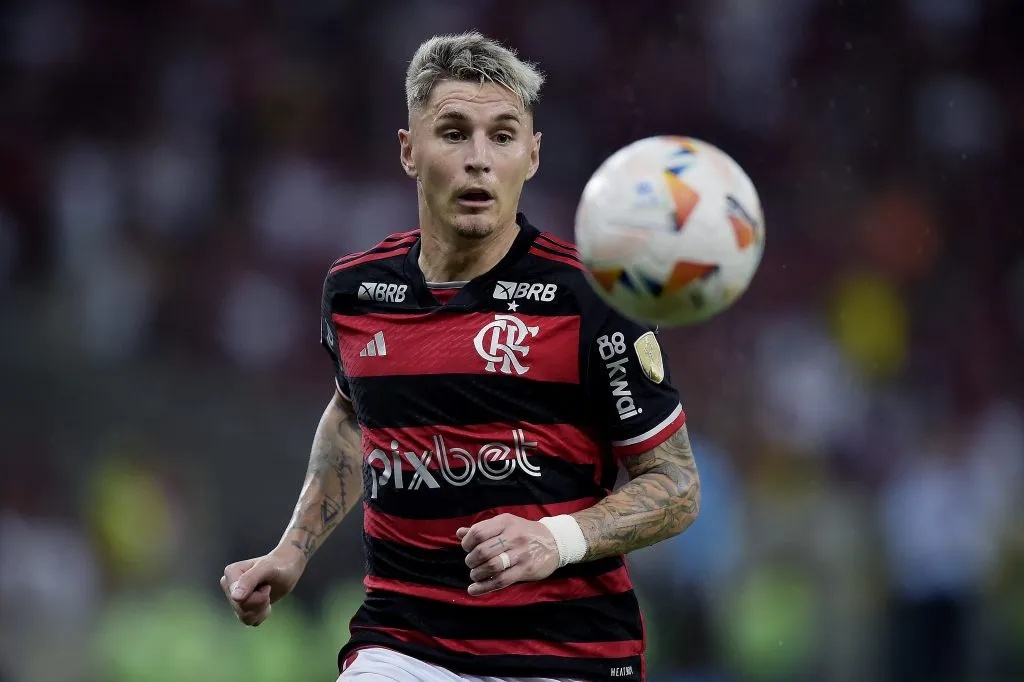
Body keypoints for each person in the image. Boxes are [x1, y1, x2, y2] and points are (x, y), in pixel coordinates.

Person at [220, 31, 701, 682]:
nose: (479, 159)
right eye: (453, 132)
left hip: (569, 655)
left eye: (502, 136)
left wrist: (555, 538)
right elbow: (354, 416)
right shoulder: (355, 293)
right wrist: (293, 550)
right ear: (409, 151)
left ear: (531, 156)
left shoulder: (590, 300)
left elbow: (675, 485)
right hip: (404, 645)